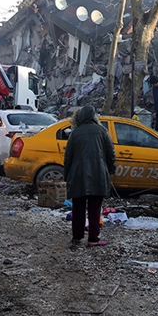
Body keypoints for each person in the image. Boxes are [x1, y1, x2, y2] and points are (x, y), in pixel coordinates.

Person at [62, 105, 116, 247]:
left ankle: (77, 238)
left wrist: (66, 175)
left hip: (78, 175)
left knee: (78, 208)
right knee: (95, 208)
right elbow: (111, 153)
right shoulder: (102, 131)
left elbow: (68, 157)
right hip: (98, 174)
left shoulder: (75, 133)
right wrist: (111, 169)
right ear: (93, 116)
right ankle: (93, 239)